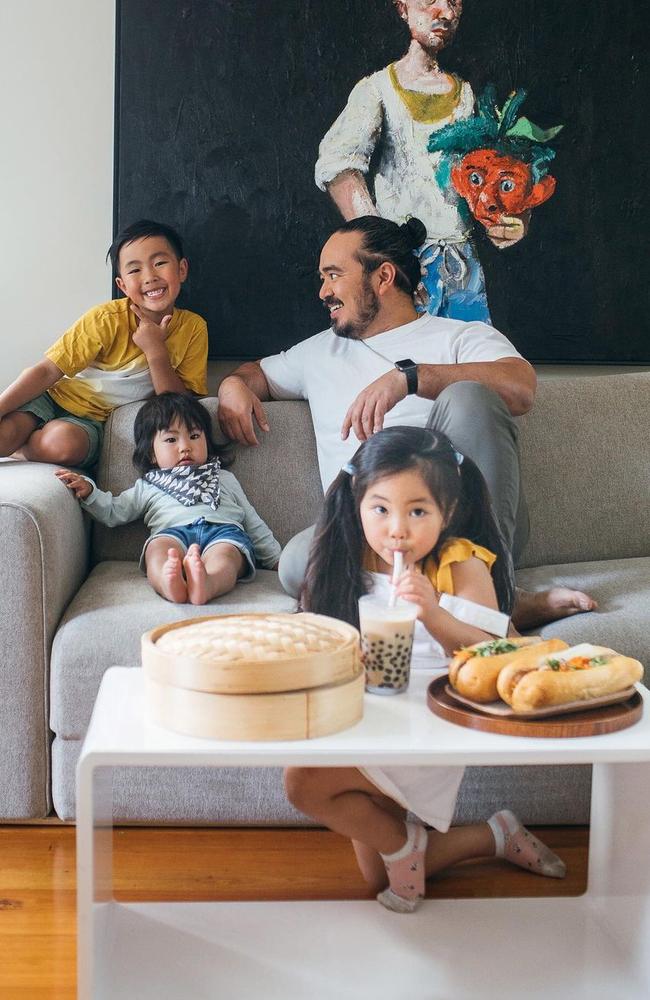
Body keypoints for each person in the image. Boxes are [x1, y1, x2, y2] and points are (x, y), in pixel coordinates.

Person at [217, 214, 595, 629]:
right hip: (371, 532)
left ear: (382, 276)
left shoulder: (459, 336)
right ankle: (469, 605)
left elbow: (520, 387)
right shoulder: (317, 352)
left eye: (333, 275)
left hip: (464, 521)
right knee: (295, 564)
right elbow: (255, 374)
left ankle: (493, 595)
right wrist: (233, 385)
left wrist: (411, 378)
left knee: (469, 394)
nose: (323, 291)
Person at [285, 426, 566, 913]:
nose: (398, 528)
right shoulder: (345, 560)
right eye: (381, 508)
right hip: (371, 717)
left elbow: (494, 652)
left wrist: (434, 613)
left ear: (447, 513)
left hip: (428, 721)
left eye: (417, 511)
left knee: (303, 782)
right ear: (357, 505)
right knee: (377, 876)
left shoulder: (459, 565)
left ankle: (405, 847)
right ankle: (493, 836)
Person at [315, 0, 527, 323]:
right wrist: (382, 251)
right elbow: (338, 166)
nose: (445, 12)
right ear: (402, 7)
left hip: (463, 270)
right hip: (401, 272)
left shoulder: (466, 95)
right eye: (430, 0)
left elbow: (484, 179)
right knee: (406, 362)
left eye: (454, 2)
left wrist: (512, 222)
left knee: (468, 362)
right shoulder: (377, 90)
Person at [0, 219, 208, 469]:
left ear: (182, 269)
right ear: (122, 285)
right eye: (134, 270)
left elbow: (179, 406)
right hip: (53, 397)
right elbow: (47, 371)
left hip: (91, 421)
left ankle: (21, 450)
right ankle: (15, 440)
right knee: (5, 434)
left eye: (160, 263)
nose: (150, 277)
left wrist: (155, 350)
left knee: (61, 443)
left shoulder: (193, 328)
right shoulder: (106, 319)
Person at [55, 393, 280, 605]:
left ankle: (208, 583)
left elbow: (252, 521)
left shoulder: (223, 477)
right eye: (171, 439)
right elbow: (115, 511)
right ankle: (168, 582)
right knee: (158, 551)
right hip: (172, 533)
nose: (185, 447)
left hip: (224, 532)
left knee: (228, 558)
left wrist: (275, 559)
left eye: (194, 436)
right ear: (152, 453)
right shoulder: (149, 485)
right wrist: (90, 492)